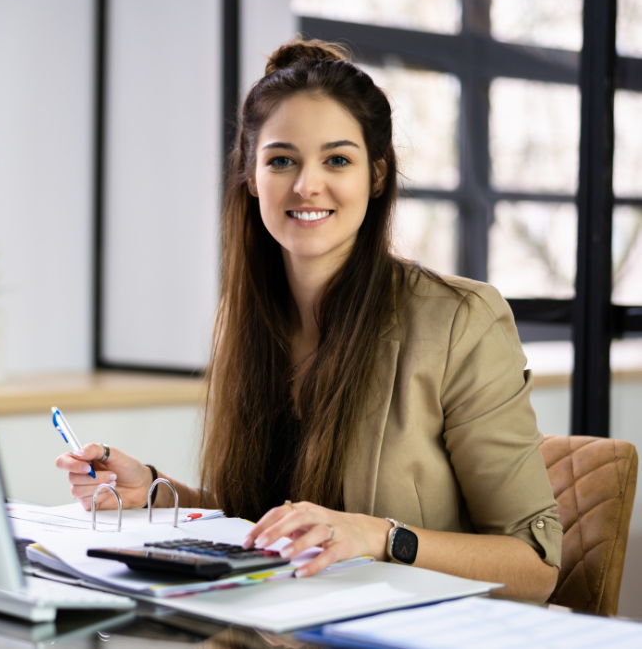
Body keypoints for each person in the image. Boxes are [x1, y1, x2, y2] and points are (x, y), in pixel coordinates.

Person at [56, 38, 562, 601]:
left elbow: (535, 568)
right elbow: (258, 525)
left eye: (337, 160)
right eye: (281, 160)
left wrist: (379, 536)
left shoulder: (460, 321)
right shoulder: (245, 319)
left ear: (375, 175)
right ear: (250, 176)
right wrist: (155, 490)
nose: (306, 185)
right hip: (265, 630)